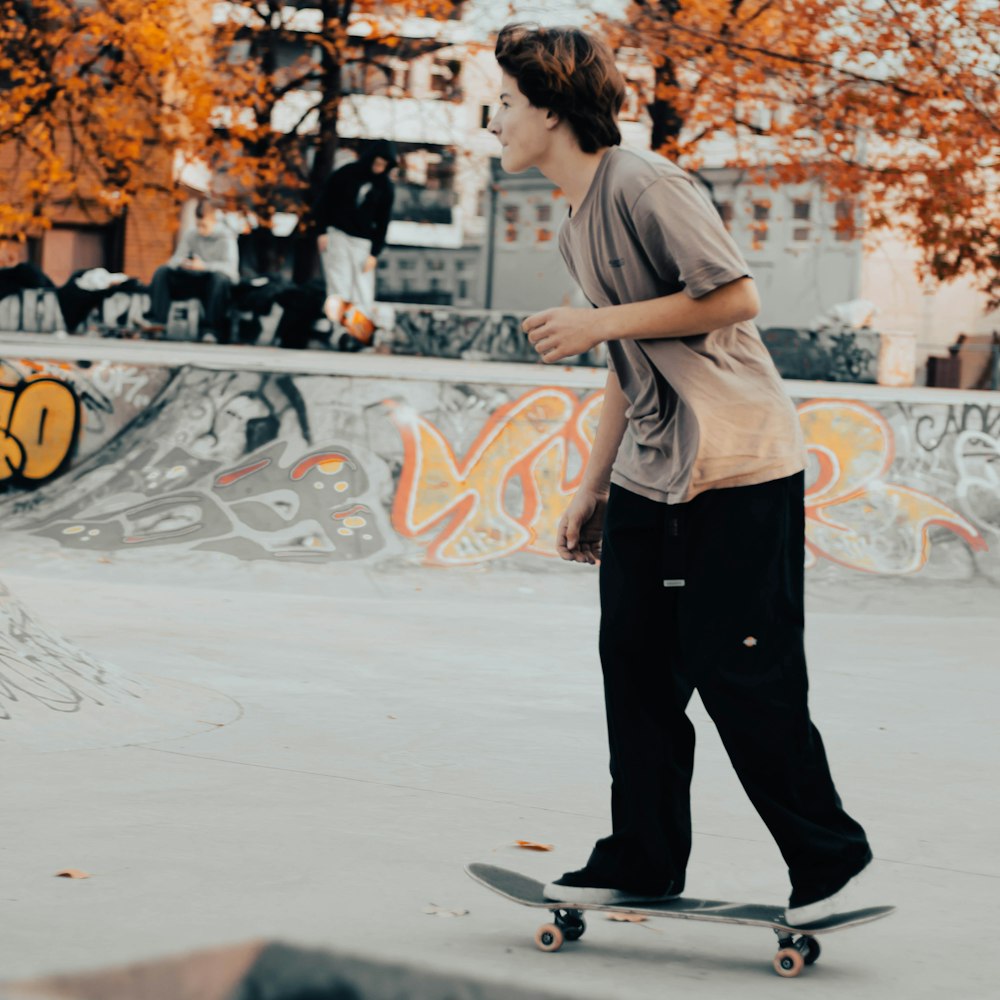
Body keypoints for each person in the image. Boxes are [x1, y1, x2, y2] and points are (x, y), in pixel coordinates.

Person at [488, 23, 872, 927]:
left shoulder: (646, 183)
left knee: (742, 668)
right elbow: (632, 363)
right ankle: (644, 857)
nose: (492, 121)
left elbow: (736, 294)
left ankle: (826, 851)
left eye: (503, 104)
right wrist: (590, 484)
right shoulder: (579, 217)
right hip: (651, 475)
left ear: (547, 106)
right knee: (634, 663)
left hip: (739, 467)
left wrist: (596, 326)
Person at [311, 140, 397, 343]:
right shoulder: (346, 174)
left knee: (362, 287)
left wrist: (374, 253)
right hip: (338, 233)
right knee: (338, 283)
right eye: (376, 164)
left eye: (383, 166)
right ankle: (338, 328)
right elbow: (324, 202)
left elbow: (383, 222)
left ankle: (358, 331)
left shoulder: (385, 187)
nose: (378, 169)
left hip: (363, 241)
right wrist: (322, 231)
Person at [143, 199, 239, 341]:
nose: (200, 230)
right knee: (162, 272)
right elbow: (174, 260)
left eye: (204, 226)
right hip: (192, 278)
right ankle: (157, 322)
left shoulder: (226, 237)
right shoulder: (191, 234)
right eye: (198, 225)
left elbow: (231, 270)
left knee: (219, 279)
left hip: (214, 284)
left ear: (214, 221)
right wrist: (183, 263)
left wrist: (205, 266)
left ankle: (210, 331)